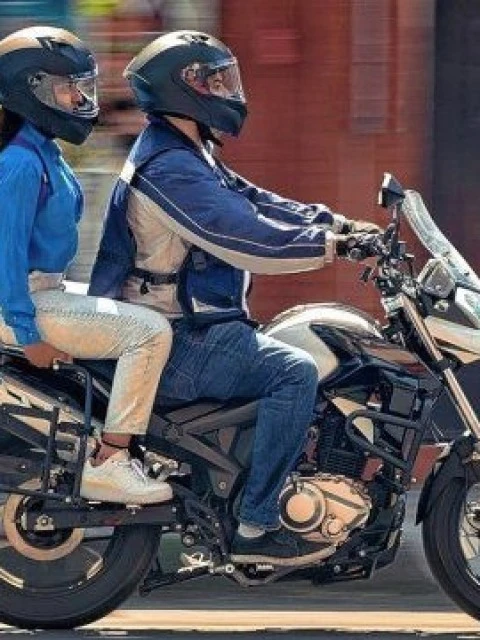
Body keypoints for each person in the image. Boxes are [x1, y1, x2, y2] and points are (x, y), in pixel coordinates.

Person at [88, 30, 380, 564]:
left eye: (226, 79)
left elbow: (255, 200)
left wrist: (338, 223)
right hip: (178, 341)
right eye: (213, 81)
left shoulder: (187, 151)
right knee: (295, 372)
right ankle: (256, 525)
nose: (227, 91)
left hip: (193, 330)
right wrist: (333, 247)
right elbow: (241, 234)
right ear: (179, 89)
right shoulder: (170, 168)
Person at [0, 26, 174, 505]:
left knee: (138, 312)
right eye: (67, 89)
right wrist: (28, 334)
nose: (80, 99)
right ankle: (109, 462)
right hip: (20, 302)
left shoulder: (45, 151)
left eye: (83, 87)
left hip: (43, 290)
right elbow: (5, 256)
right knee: (149, 332)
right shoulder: (19, 163)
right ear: (31, 91)